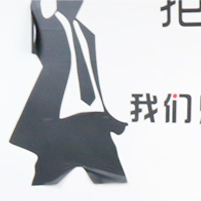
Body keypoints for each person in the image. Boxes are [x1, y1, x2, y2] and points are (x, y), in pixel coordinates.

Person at [10, 0, 127, 185]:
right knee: (44, 183)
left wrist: (106, 115)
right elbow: (45, 53)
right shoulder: (48, 26)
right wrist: (38, 12)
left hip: (94, 123)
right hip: (60, 123)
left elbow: (91, 76)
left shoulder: (86, 33)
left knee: (116, 181)